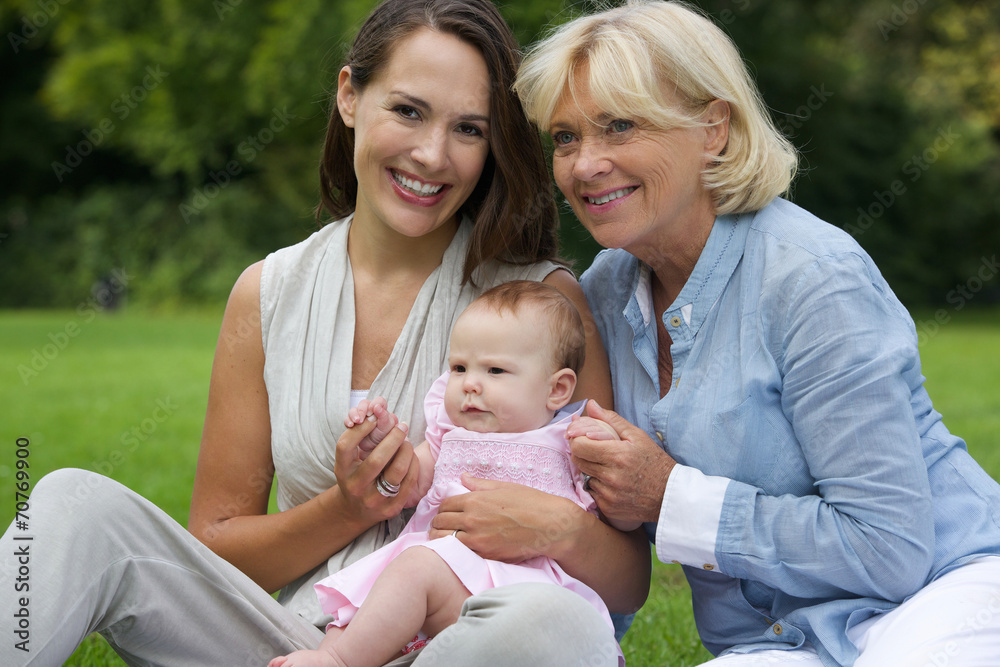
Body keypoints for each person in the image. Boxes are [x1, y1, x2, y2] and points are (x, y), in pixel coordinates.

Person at [0, 1, 648, 664]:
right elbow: (216, 548)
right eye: (408, 110)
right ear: (348, 96)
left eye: (469, 129)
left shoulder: (542, 305)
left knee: (553, 623)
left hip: (460, 640)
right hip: (299, 646)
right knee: (69, 504)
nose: (432, 154)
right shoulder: (268, 292)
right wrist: (348, 507)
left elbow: (627, 578)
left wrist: (559, 529)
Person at [514, 1, 1000, 666]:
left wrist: (670, 494)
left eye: (619, 126)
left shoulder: (812, 277)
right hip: (779, 641)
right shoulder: (601, 291)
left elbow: (889, 549)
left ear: (714, 128)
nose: (584, 163)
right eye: (565, 137)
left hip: (941, 593)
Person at [270, 281, 635, 667]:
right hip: (443, 581)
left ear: (557, 389)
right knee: (377, 592)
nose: (470, 384)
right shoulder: (450, 435)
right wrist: (380, 444)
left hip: (525, 590)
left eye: (495, 370)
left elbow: (623, 519)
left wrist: (608, 451)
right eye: (459, 367)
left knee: (413, 570)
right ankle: (332, 658)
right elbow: (406, 486)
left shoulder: (571, 439)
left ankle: (341, 662)